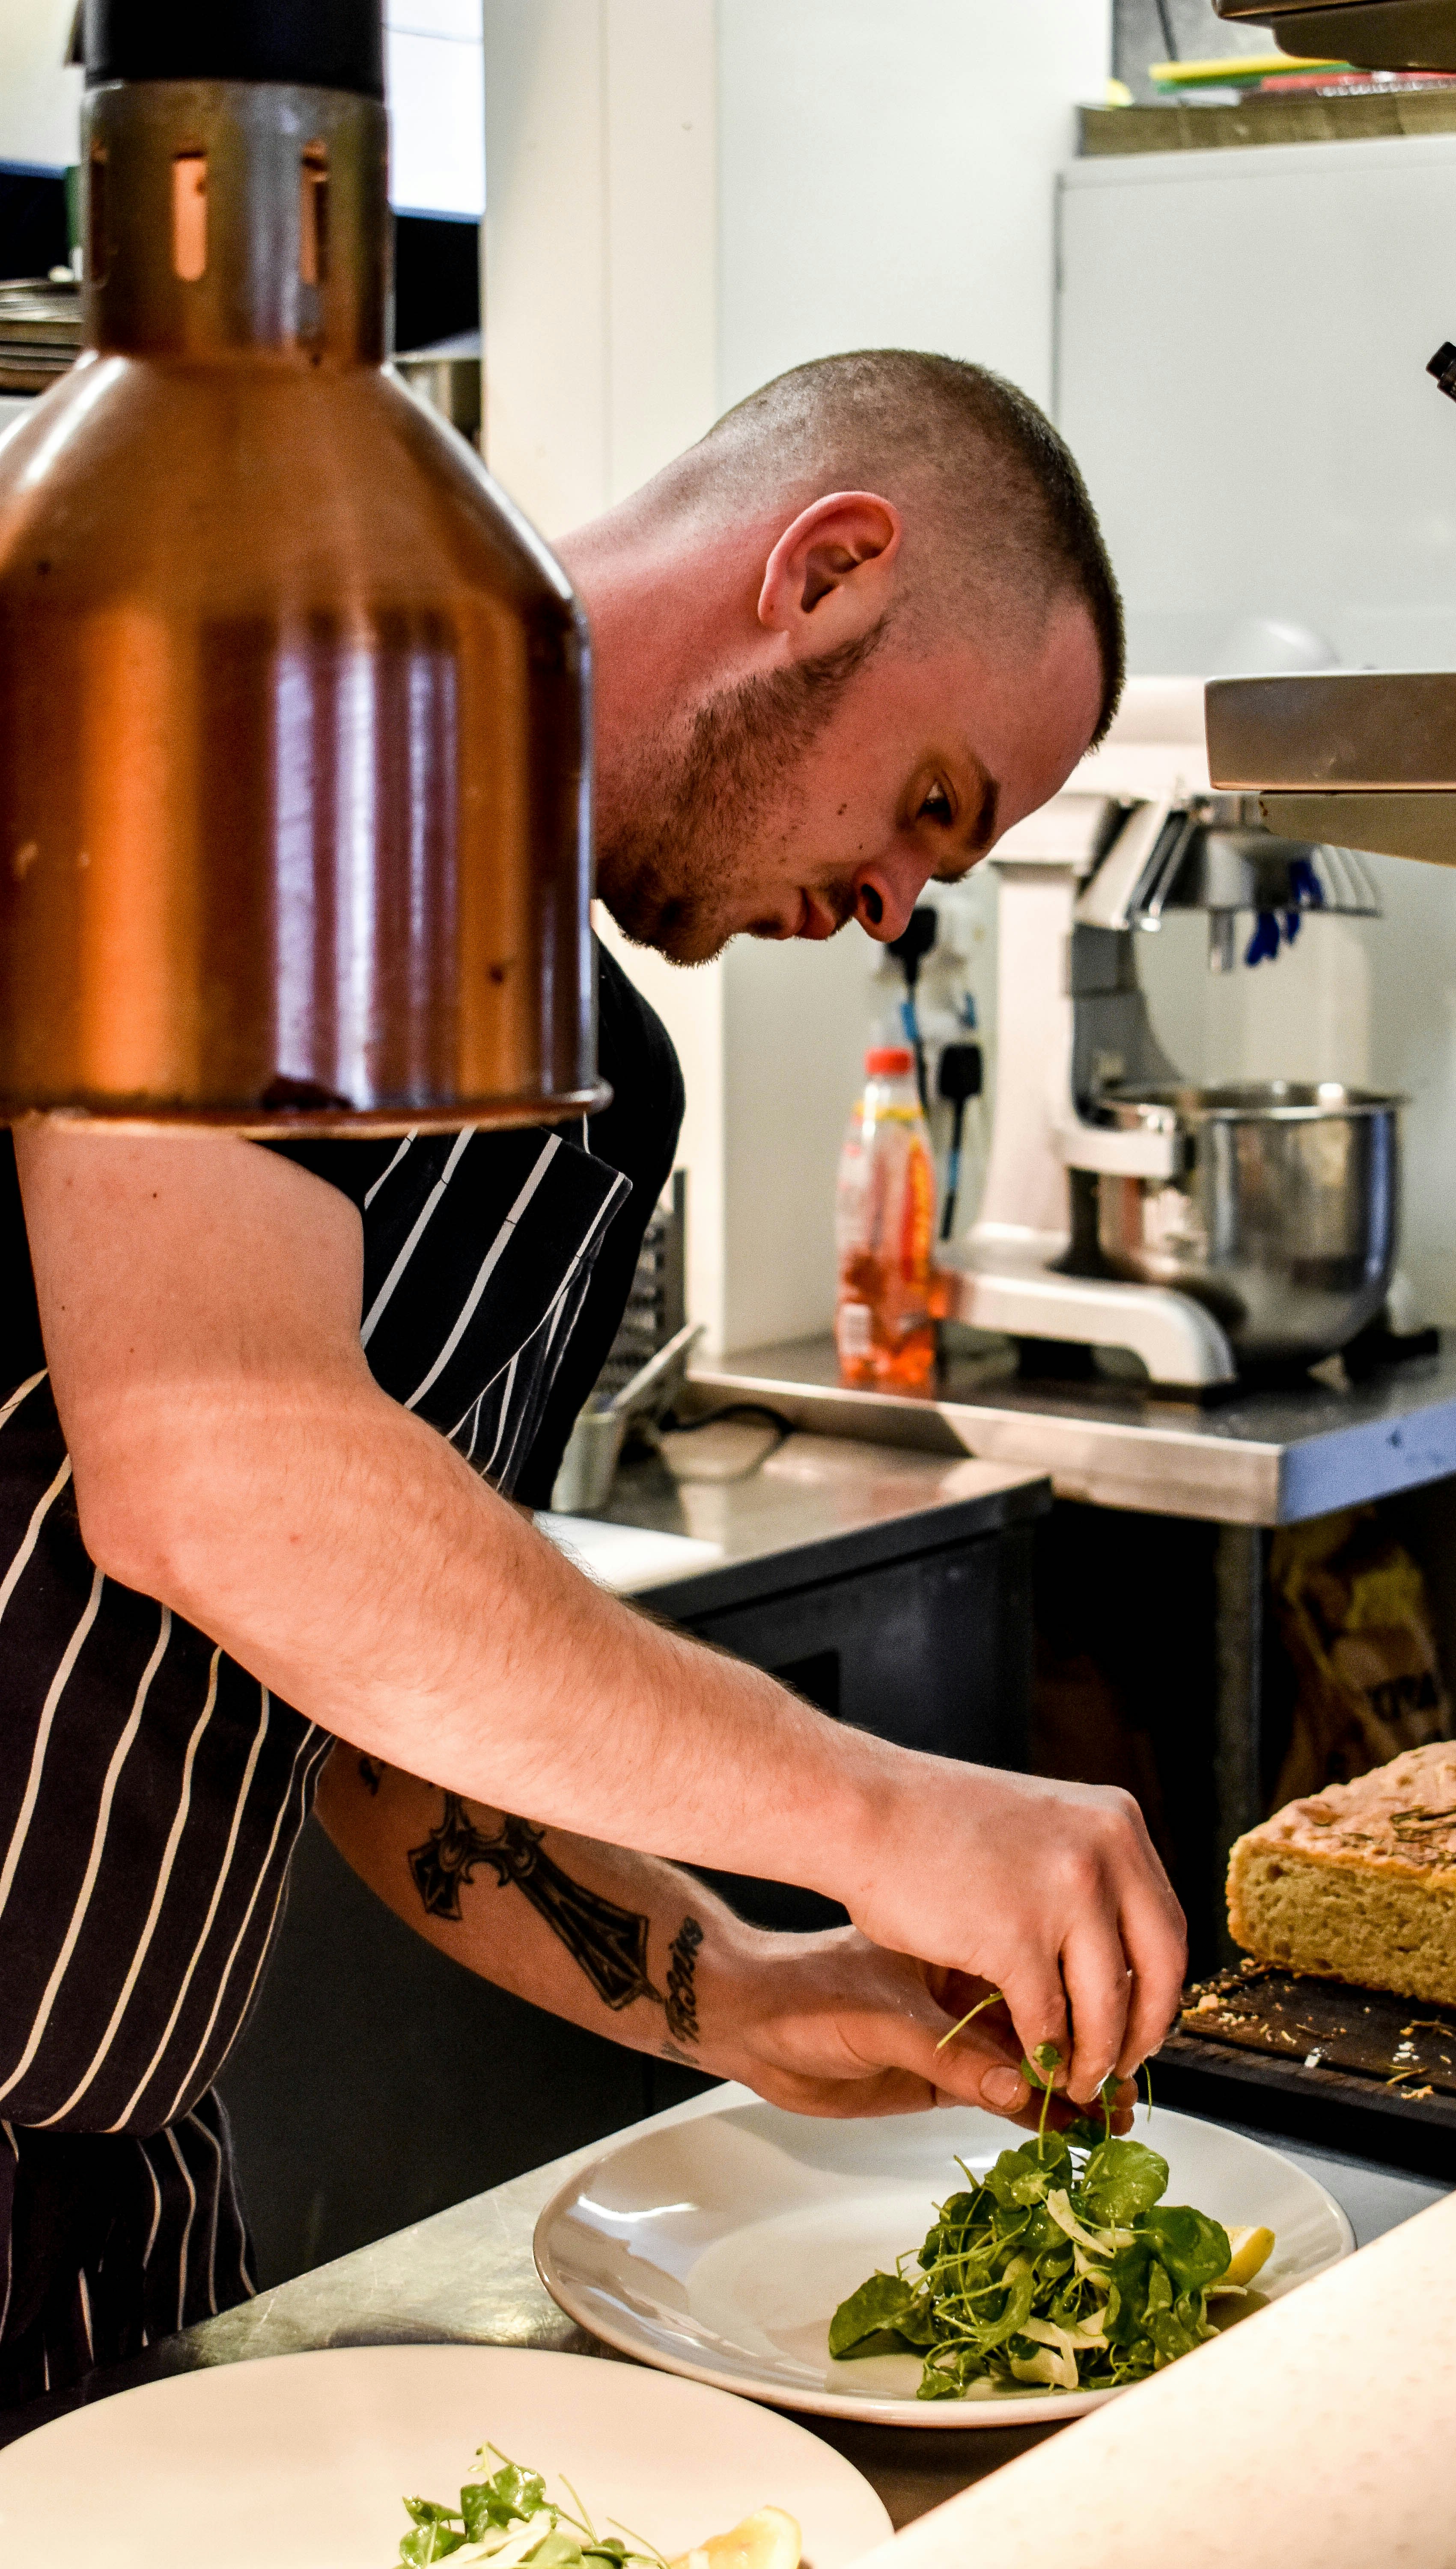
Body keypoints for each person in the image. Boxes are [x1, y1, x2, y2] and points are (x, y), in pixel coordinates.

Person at [0, 350, 1185, 2399]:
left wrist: (727, 1983)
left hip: (109, 2202)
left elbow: (378, 1698)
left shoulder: (597, 1099)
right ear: (823, 569)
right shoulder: (266, 696)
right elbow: (215, 1476)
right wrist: (881, 1813)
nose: (897, 903)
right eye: (930, 806)